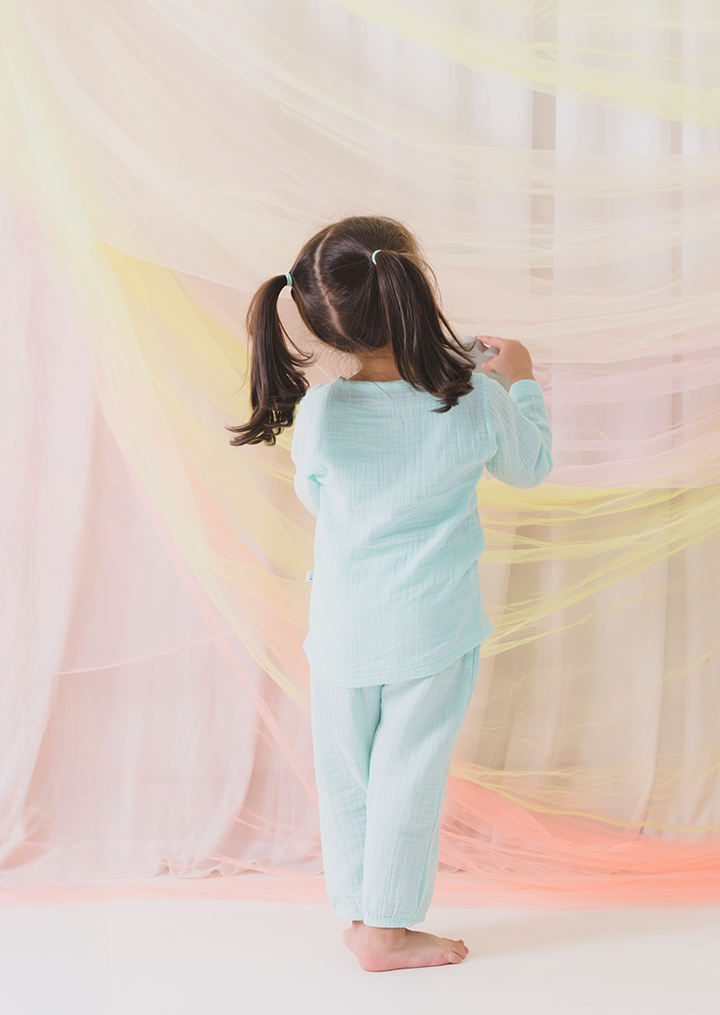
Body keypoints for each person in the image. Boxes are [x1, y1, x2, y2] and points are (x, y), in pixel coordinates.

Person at [230, 216, 552, 971]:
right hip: (431, 631)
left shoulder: (322, 413)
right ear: (412, 286)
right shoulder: (471, 397)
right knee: (407, 776)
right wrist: (523, 377)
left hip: (344, 625)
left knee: (348, 776)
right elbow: (530, 466)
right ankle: (386, 930)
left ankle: (360, 915)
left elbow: (319, 499)